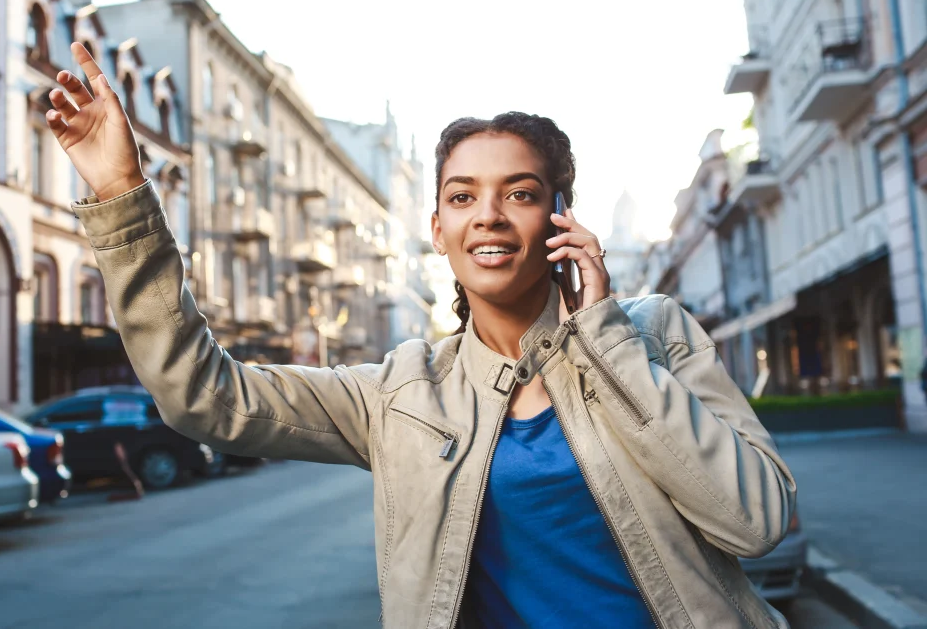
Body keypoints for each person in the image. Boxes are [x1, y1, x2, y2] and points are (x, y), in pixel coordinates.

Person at [47, 43, 797, 629]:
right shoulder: (400, 392)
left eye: (522, 193)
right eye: (463, 196)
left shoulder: (653, 333)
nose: (490, 215)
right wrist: (121, 198)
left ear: (561, 220)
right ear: (438, 230)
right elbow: (201, 397)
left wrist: (605, 334)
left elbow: (756, 520)